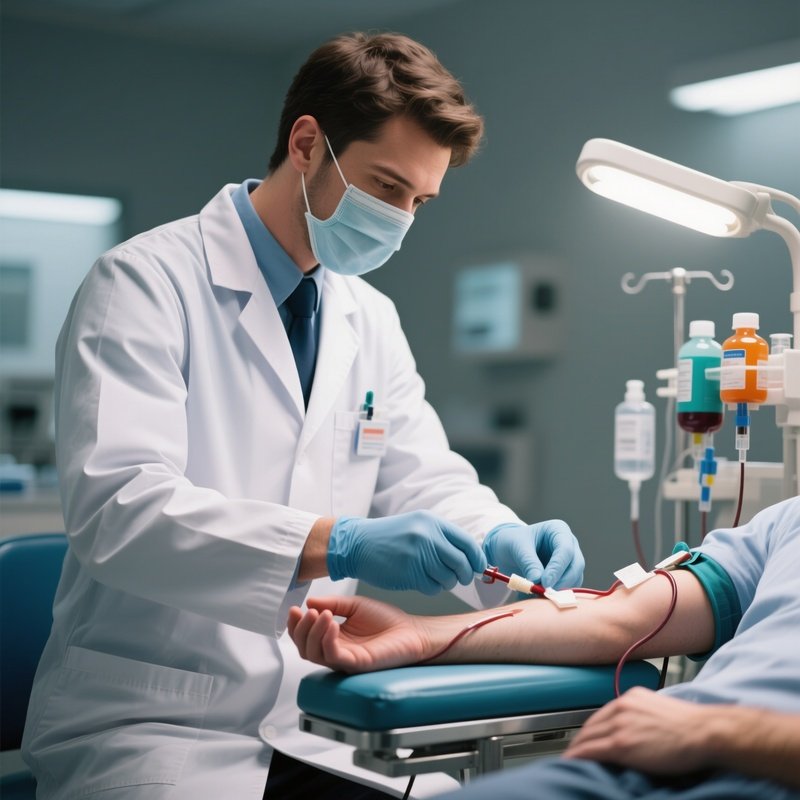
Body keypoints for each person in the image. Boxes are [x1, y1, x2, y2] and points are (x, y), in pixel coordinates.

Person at [21, 31, 584, 800]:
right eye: (387, 188)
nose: (401, 221)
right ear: (309, 143)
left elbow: (424, 480)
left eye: (420, 201)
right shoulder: (144, 284)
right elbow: (121, 511)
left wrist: (500, 542)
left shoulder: (369, 317)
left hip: (319, 714)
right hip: (153, 722)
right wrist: (340, 542)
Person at [289, 496, 800, 799]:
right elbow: (620, 619)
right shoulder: (789, 522)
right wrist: (424, 636)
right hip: (632, 766)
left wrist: (720, 732)